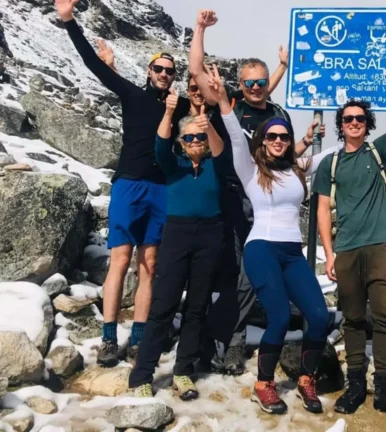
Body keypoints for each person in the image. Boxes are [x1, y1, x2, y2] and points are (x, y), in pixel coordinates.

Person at [55, 0, 192, 367]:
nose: (164, 74)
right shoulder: (132, 95)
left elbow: (212, 102)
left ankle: (141, 337)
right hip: (130, 184)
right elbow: (93, 66)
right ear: (149, 71)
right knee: (120, 259)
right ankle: (109, 337)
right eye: (159, 69)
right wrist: (69, 21)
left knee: (150, 262)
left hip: (161, 188)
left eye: (169, 71)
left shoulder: (178, 106)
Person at [189, 10, 323, 376]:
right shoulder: (231, 105)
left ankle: (229, 337)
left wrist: (304, 144)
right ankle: (227, 340)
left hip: (271, 203)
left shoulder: (276, 111)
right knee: (239, 276)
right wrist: (200, 29)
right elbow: (198, 72)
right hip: (235, 197)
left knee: (250, 278)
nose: (255, 87)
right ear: (239, 84)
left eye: (261, 81)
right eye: (249, 82)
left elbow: (284, 155)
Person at [204, 63, 341, 415]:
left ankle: (306, 379)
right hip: (261, 249)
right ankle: (264, 384)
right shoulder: (250, 169)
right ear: (263, 141)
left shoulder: (297, 167)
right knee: (279, 316)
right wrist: (222, 101)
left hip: (293, 254)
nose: (279, 141)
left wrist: (353, 139)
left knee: (318, 315)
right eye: (272, 137)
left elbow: (329, 156)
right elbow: (235, 135)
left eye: (283, 136)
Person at [311, 53, 386, 420]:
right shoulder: (330, 164)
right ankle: (356, 384)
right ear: (340, 126)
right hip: (346, 250)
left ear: (367, 123)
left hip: (379, 247)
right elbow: (322, 211)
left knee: (381, 316)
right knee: (352, 319)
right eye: (348, 119)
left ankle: (385, 389)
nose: (355, 123)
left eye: (360, 119)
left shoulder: (378, 153)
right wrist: (328, 255)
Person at [128, 88, 227, 400]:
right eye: (189, 139)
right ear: (181, 143)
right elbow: (160, 144)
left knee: (197, 307)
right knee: (163, 305)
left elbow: (221, 149)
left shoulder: (216, 165)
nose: (195, 143)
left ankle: (183, 371)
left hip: (210, 234)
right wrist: (170, 114)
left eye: (199, 138)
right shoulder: (174, 166)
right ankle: (142, 374)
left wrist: (206, 124)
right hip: (177, 234)